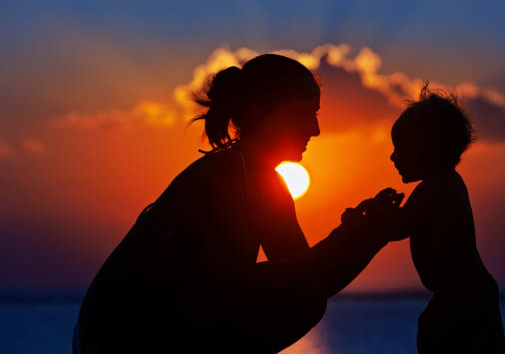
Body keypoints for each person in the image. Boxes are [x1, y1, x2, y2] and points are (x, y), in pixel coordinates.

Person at [73, 54, 404, 354]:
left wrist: (359, 234)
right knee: (302, 300)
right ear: (260, 113)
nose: (315, 130)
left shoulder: (246, 172)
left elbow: (300, 274)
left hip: (127, 333)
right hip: (126, 339)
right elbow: (296, 285)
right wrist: (363, 235)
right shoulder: (238, 180)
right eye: (303, 115)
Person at [384, 85, 505, 353]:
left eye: (400, 148)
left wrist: (375, 215)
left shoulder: (436, 187)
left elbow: (397, 228)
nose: (393, 156)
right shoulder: (447, 183)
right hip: (467, 292)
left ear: (426, 150)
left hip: (464, 295)